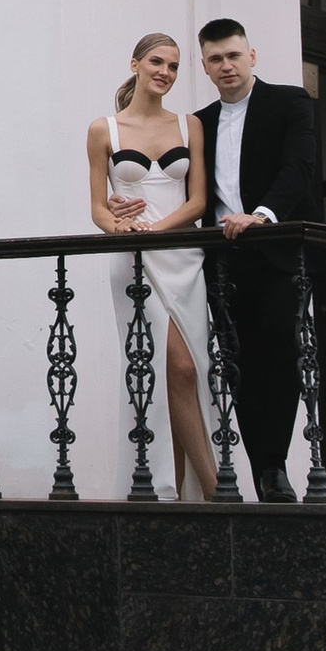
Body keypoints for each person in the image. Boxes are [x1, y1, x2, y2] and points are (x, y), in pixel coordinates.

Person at [84, 32, 218, 500]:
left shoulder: (189, 127)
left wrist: (157, 231)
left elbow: (197, 200)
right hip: (132, 262)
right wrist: (118, 230)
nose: (165, 72)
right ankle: (214, 490)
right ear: (136, 64)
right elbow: (98, 209)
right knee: (164, 369)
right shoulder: (105, 129)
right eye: (157, 62)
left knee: (187, 369)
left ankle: (184, 491)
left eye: (175, 66)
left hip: (182, 256)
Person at [192, 18, 322, 501]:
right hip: (223, 259)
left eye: (233, 55)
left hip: (277, 249)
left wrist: (263, 215)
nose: (226, 65)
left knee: (279, 352)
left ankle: (274, 466)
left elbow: (299, 167)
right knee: (236, 359)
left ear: (252, 55)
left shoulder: (289, 102)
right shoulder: (198, 123)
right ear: (205, 66)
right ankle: (261, 466)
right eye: (215, 59)